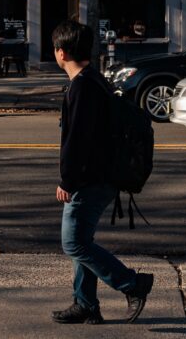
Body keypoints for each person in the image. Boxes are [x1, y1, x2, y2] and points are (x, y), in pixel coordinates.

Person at [52, 19, 153, 325]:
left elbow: (78, 141)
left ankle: (132, 284)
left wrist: (67, 181)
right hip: (103, 176)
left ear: (62, 53)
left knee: (74, 243)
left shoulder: (82, 87)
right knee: (82, 240)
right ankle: (85, 305)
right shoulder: (93, 80)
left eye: (55, 48)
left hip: (90, 180)